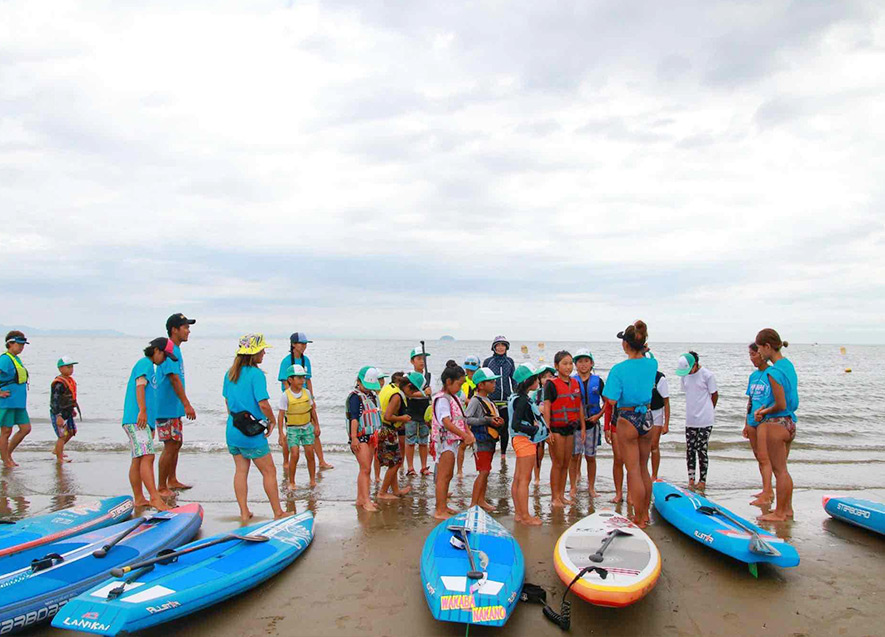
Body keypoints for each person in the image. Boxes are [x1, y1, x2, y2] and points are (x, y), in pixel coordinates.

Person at [223, 333, 286, 523]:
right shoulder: (256, 374)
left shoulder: (230, 373)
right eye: (262, 350)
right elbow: (263, 404)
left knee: (241, 470)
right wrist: (272, 421)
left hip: (233, 429)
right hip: (251, 433)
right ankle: (278, 512)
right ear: (254, 353)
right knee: (269, 471)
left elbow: (227, 401)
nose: (264, 353)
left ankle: (244, 512)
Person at [602, 321, 657, 527]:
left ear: (625, 345)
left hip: (628, 417)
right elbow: (649, 355)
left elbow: (612, 400)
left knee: (632, 469)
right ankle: (645, 516)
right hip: (647, 416)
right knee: (644, 467)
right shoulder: (652, 364)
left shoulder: (619, 369)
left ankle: (638, 517)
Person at [122, 338, 175, 510]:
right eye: (165, 356)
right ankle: (154, 497)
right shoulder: (145, 364)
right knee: (148, 456)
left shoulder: (148, 366)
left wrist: (150, 424)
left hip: (138, 419)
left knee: (138, 459)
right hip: (137, 418)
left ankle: (139, 498)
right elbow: (140, 387)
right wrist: (143, 412)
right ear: (157, 351)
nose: (165, 360)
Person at [753, 329, 798, 522]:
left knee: (779, 471)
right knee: (784, 470)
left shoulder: (773, 371)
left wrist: (763, 411)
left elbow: (780, 404)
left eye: (760, 349)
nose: (759, 353)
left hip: (776, 424)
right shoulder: (788, 365)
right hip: (789, 423)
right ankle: (787, 509)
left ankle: (779, 512)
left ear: (767, 346)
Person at [277, 332, 333, 472]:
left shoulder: (306, 360)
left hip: (305, 398)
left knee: (314, 430)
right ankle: (285, 462)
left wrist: (312, 399)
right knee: (289, 432)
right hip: (291, 401)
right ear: (293, 345)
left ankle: (321, 461)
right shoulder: (286, 361)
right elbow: (285, 383)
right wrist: (293, 398)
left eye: (305, 344)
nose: (304, 346)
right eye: (301, 344)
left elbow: (308, 380)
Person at [155, 313, 197, 496]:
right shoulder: (169, 349)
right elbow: (173, 379)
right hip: (165, 407)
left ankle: (172, 480)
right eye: (185, 327)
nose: (188, 331)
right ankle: (161, 487)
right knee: (170, 445)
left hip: (173, 408)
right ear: (174, 329)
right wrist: (187, 404)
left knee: (177, 443)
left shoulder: (176, 349)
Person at [430, 361, 474, 519]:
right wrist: (464, 436)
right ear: (448, 382)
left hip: (452, 441)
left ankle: (443, 506)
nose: (461, 388)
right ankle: (439, 509)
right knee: (443, 475)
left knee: (448, 475)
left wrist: (468, 432)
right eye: (459, 384)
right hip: (445, 442)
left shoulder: (453, 397)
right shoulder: (442, 399)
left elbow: (461, 419)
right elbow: (446, 422)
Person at [508, 363, 549, 525]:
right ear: (528, 381)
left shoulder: (515, 397)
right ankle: (525, 516)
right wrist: (533, 429)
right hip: (524, 440)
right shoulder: (523, 400)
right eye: (535, 379)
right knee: (524, 479)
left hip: (518, 440)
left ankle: (519, 514)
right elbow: (516, 424)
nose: (538, 381)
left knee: (518, 478)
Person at [544, 351, 585, 507]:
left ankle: (561, 495)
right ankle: (555, 497)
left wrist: (581, 427)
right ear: (556, 366)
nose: (568, 367)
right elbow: (547, 407)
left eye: (570, 364)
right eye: (564, 364)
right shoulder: (551, 384)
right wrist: (547, 430)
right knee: (558, 463)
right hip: (556, 429)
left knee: (566, 463)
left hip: (571, 428)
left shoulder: (575, 383)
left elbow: (579, 405)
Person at [675, 351, 719, 491]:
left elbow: (714, 395)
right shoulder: (685, 377)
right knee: (690, 449)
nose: (688, 372)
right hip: (690, 418)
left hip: (705, 419)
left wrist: (709, 409)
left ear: (695, 364)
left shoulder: (707, 375)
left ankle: (703, 480)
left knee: (701, 448)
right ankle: (691, 479)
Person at [464, 367, 504, 511]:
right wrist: (487, 420)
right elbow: (467, 419)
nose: (494, 384)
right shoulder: (475, 401)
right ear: (481, 385)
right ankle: (474, 503)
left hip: (489, 440)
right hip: (480, 441)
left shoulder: (489, 400)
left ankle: (481, 500)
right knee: (483, 471)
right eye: (491, 382)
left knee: (486, 471)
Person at [276, 364, 319, 490]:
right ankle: (292, 481)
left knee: (310, 453)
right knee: (294, 454)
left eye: (303, 378)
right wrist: (280, 433)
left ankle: (312, 480)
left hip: (307, 427)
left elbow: (312, 410)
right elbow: (281, 415)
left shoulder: (307, 393)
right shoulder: (286, 395)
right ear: (290, 380)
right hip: (293, 429)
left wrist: (316, 425)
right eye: (299, 378)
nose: (302, 380)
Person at [346, 366, 383, 512]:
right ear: (359, 381)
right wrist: (354, 438)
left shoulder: (372, 395)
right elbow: (354, 418)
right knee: (366, 469)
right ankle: (366, 500)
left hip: (371, 436)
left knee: (365, 469)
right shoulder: (355, 397)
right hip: (360, 437)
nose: (368, 389)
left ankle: (361, 498)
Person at [569, 349, 603, 499]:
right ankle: (572, 487)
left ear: (591, 363)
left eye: (586, 361)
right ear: (575, 364)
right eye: (580, 361)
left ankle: (591, 487)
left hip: (592, 424)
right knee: (574, 456)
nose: (583, 364)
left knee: (591, 457)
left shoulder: (598, 381)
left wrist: (598, 416)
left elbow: (608, 403)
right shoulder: (571, 381)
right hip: (575, 425)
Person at [744, 343, 773, 506]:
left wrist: (765, 413)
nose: (751, 358)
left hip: (765, 420)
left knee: (764, 457)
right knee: (758, 456)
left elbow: (775, 399)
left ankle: (768, 493)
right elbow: (750, 399)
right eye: (749, 355)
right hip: (752, 419)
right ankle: (766, 489)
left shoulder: (771, 374)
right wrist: (746, 423)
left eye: (753, 354)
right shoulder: (753, 376)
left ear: (761, 353)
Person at [377, 372, 412, 500]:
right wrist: (402, 418)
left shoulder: (390, 387)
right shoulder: (397, 396)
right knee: (396, 462)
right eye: (411, 392)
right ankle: (382, 492)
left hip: (382, 428)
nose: (411, 395)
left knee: (394, 462)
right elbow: (388, 416)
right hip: (387, 431)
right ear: (407, 386)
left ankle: (396, 490)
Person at [0, 331, 31, 468]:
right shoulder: (5, 359)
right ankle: (6, 460)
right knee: (6, 432)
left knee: (25, 428)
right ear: (10, 343)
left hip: (19, 402)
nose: (21, 347)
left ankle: (6, 454)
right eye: (19, 344)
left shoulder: (16, 358)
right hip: (8, 401)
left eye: (23, 345)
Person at [483, 336, 515, 461]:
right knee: (491, 426)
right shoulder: (488, 362)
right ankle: (489, 451)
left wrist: (516, 394)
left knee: (504, 427)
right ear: (494, 347)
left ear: (506, 347)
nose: (500, 347)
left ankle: (503, 454)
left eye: (503, 345)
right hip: (491, 400)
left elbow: (513, 379)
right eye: (498, 345)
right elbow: (482, 380)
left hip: (506, 400)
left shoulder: (510, 362)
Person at [403, 346, 432, 477]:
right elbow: (406, 393)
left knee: (423, 442)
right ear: (412, 361)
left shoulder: (430, 376)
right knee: (409, 441)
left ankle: (424, 466)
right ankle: (410, 467)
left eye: (424, 359)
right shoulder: (407, 376)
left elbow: (432, 394)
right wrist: (422, 394)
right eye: (419, 358)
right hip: (411, 412)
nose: (422, 361)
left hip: (425, 413)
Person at [50, 356, 80, 463]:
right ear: (60, 368)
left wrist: (72, 409)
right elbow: (55, 401)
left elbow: (70, 397)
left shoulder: (70, 380)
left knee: (72, 431)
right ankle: (59, 458)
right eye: (68, 367)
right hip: (60, 414)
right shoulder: (58, 383)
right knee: (62, 436)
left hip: (68, 412)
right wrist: (58, 416)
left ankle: (57, 450)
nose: (71, 369)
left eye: (72, 367)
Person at [646, 351, 671, 482]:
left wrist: (666, 424)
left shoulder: (660, 378)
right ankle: (643, 473)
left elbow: (666, 402)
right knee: (643, 446)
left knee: (654, 445)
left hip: (657, 412)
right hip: (643, 412)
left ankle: (654, 475)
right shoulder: (638, 377)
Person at [532, 365, 555, 485]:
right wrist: (538, 408)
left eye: (550, 376)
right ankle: (537, 477)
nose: (547, 379)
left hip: (553, 426)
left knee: (554, 455)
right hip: (540, 427)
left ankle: (554, 478)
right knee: (538, 454)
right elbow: (530, 408)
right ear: (539, 380)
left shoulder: (556, 390)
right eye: (544, 377)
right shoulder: (536, 393)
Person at [602, 401, 624, 503]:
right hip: (616, 424)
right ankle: (618, 493)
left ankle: (631, 495)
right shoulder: (614, 385)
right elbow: (608, 406)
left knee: (632, 462)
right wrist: (606, 427)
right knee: (618, 459)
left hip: (634, 423)